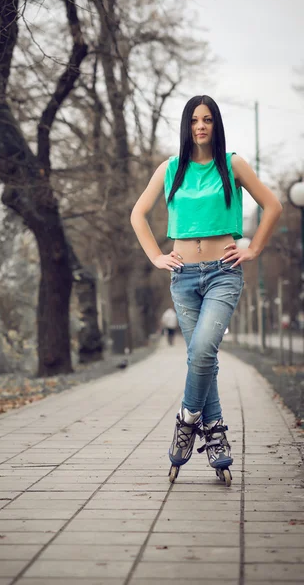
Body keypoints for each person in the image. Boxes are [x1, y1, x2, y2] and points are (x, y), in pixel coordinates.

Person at [130, 94, 282, 486]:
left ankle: (185, 421)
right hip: (182, 277)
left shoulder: (232, 165)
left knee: (201, 350)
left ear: (216, 125)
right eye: (195, 119)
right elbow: (138, 214)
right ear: (187, 125)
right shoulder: (171, 169)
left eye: (208, 119)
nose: (201, 126)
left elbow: (273, 205)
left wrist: (254, 248)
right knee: (204, 358)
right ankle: (214, 433)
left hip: (223, 273)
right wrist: (156, 257)